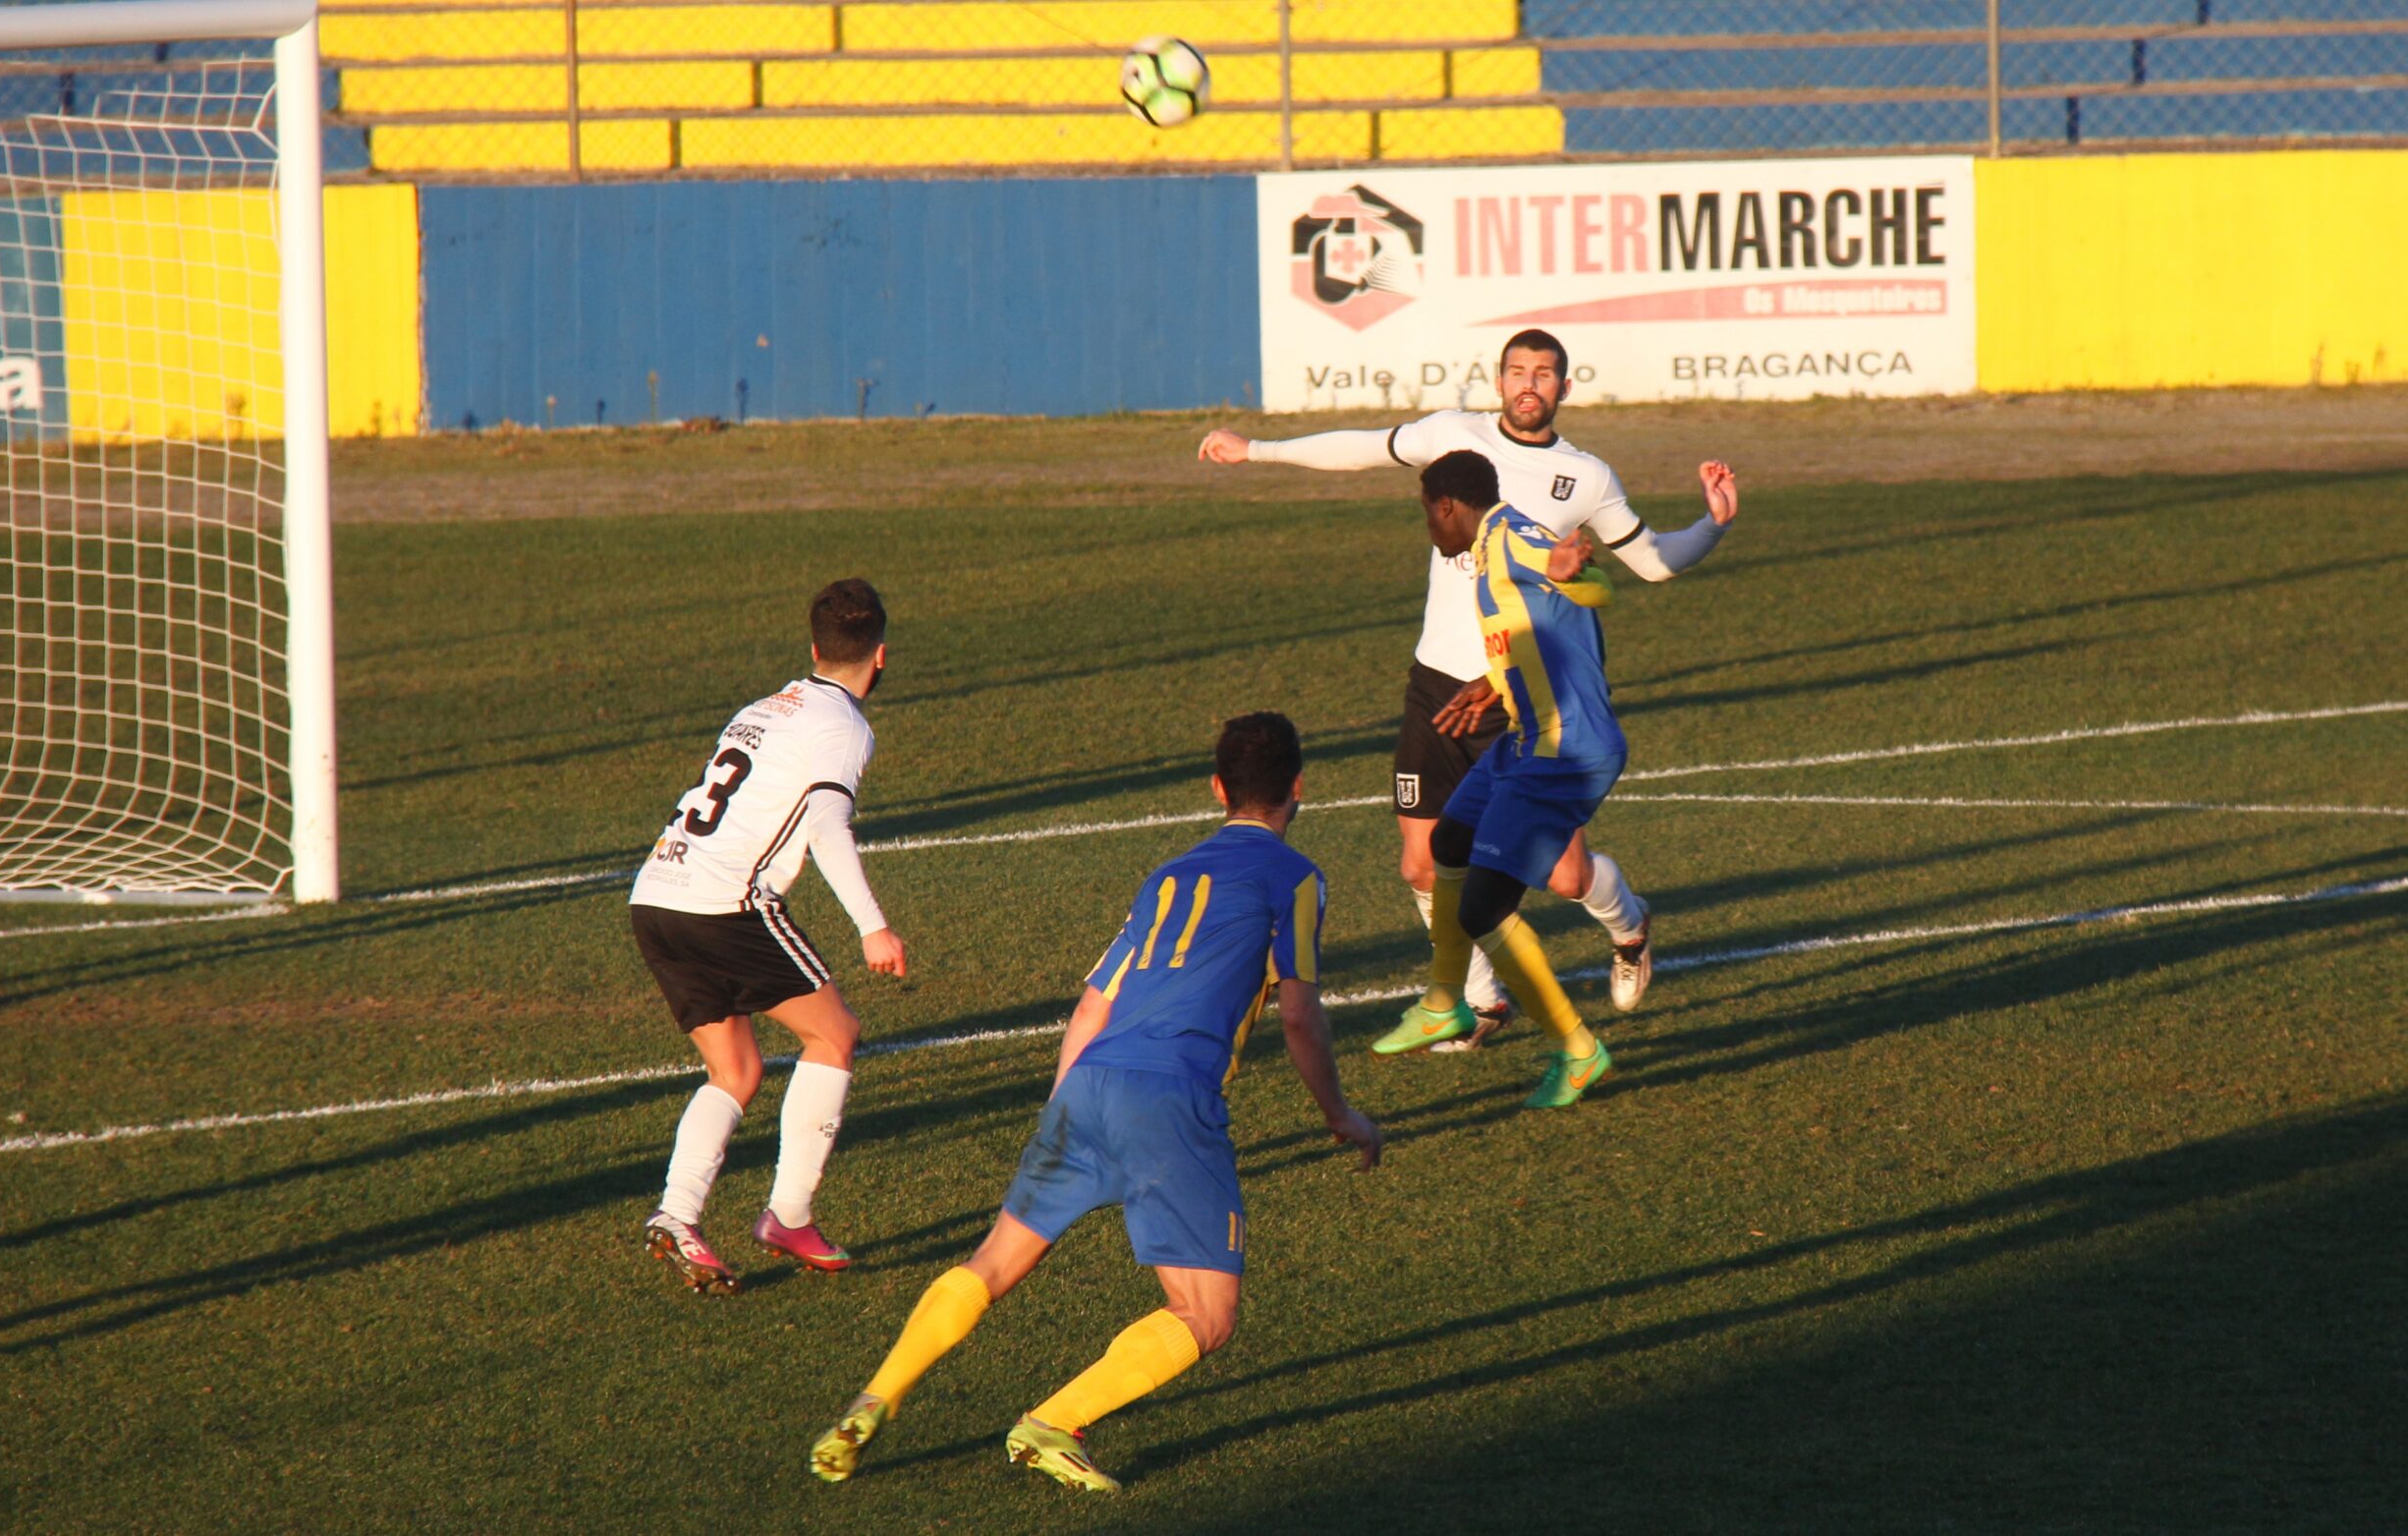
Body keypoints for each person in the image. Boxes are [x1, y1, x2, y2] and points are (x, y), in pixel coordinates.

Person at [808, 712, 1382, 1494]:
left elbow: (1089, 1009)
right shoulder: (1298, 877)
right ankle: (1052, 1422)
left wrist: (1062, 1111)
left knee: (993, 1262)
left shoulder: (1169, 874)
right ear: (1300, 788)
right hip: (1174, 1096)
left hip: (1088, 1082)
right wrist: (1340, 1115)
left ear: (1216, 789)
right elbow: (1298, 1013)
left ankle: (875, 1396)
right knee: (1205, 1312)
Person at [1198, 329, 1738, 1045]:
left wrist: (1714, 522)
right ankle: (1480, 1003)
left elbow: (1654, 562)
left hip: (1517, 700)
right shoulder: (1454, 438)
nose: (1529, 384)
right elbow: (1362, 447)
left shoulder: (1586, 477)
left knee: (1567, 876)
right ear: (1499, 377)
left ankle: (1630, 926)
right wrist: (1257, 449)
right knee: (1422, 862)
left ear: (1564, 388)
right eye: (1518, 370)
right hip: (1435, 684)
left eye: (1545, 374)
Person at [1404, 450, 1736, 1108]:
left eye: (1426, 514)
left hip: (1565, 752)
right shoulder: (1490, 548)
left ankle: (1578, 1048)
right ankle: (1448, 1002)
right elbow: (1534, 627)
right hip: (1526, 739)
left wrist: (1563, 562)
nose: (1428, 528)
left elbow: (1543, 556)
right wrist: (1490, 684)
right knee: (1446, 846)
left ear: (1446, 507)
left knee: (1483, 906)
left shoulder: (1509, 537)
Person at [627, 577, 909, 1293]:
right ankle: (788, 1213)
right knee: (834, 1034)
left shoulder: (762, 706)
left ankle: (679, 1212)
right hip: (726, 904)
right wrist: (873, 925)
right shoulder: (845, 726)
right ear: (880, 656)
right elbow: (826, 823)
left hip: (657, 893)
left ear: (814, 649)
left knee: (736, 1071)